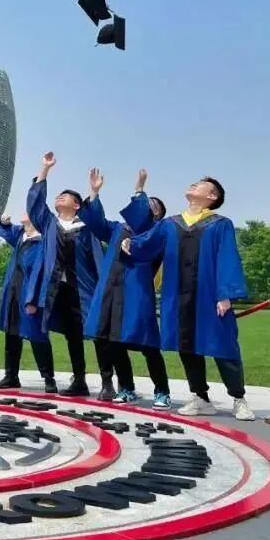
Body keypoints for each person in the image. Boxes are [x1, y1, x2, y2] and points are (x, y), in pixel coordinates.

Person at [122, 177, 254, 420]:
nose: (193, 185)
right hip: (178, 295)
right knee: (187, 346)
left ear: (212, 196)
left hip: (209, 296)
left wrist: (225, 294)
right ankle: (200, 398)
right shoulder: (171, 224)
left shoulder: (220, 224)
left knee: (223, 346)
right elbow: (149, 240)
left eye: (200, 184)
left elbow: (227, 258)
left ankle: (239, 398)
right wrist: (133, 243)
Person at [80, 167, 172, 407]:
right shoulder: (118, 229)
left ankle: (162, 391)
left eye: (153, 205)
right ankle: (127, 388)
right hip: (110, 290)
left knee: (148, 344)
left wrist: (139, 190)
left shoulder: (157, 231)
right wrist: (94, 193)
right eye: (146, 202)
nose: (147, 205)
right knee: (114, 342)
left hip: (136, 291)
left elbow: (143, 224)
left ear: (157, 215)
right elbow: (97, 223)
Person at [26, 152, 113, 399]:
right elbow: (35, 205)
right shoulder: (50, 224)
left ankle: (107, 382)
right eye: (58, 196)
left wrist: (94, 193)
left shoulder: (86, 227)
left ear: (76, 205)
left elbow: (98, 220)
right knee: (72, 336)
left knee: (98, 334)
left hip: (85, 289)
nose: (59, 197)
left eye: (65, 196)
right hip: (60, 290)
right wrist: (44, 169)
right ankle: (80, 381)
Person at [0, 211, 57, 393]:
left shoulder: (43, 242)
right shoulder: (19, 235)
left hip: (30, 295)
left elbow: (41, 274)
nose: (23, 211)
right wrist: (0, 220)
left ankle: (49, 378)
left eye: (29, 210)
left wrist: (34, 300)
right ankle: (11, 376)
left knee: (37, 336)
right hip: (13, 293)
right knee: (11, 335)